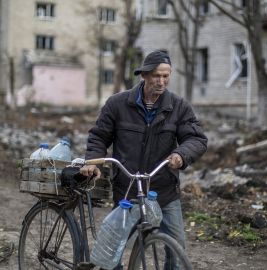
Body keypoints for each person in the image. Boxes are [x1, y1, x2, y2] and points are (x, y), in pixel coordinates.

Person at [80, 50, 207, 265]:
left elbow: (196, 139)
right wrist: (93, 161)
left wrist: (181, 154)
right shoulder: (118, 104)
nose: (161, 81)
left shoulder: (178, 107)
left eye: (166, 76)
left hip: (163, 191)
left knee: (176, 253)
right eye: (157, 76)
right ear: (144, 75)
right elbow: (99, 136)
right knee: (113, 252)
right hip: (127, 190)